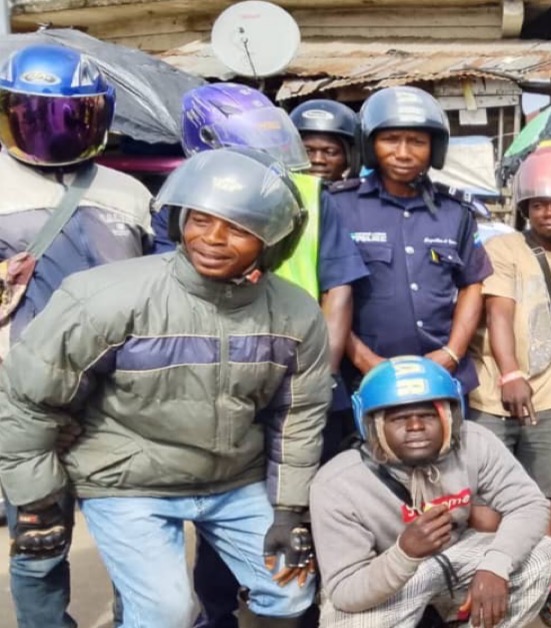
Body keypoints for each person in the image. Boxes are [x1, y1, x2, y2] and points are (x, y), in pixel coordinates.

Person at [0, 148, 330, 628]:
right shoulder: (106, 297)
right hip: (126, 480)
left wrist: (289, 510)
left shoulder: (296, 314)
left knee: (290, 591)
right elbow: (30, 399)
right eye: (199, 220)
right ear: (178, 220)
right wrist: (37, 502)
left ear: (270, 239)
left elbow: (299, 416)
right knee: (166, 613)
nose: (213, 240)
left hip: (232, 479)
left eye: (237, 228)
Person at [175, 84, 369, 628]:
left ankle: (302, 609)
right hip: (221, 387)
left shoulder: (310, 195)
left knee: (303, 508)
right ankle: (219, 611)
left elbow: (339, 289)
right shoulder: (185, 199)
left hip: (299, 385)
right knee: (219, 507)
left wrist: (322, 373)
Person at [0, 43, 154, 628]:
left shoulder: (129, 194)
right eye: (33, 114)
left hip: (126, 400)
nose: (51, 130)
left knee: (138, 538)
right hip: (31, 399)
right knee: (40, 543)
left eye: (70, 116)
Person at [310, 356, 551, 627]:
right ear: (373, 425)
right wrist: (404, 553)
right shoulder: (336, 483)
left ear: (450, 417)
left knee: (544, 553)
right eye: (399, 418)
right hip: (390, 576)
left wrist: (496, 566)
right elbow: (345, 591)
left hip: (455, 557)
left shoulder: (473, 442)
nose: (416, 426)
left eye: (429, 415)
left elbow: (530, 504)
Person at [467, 146, 551, 625]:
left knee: (544, 496)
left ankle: (544, 576)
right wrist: (512, 373)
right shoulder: (505, 250)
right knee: (485, 496)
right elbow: (498, 313)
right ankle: (488, 574)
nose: (549, 211)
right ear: (524, 207)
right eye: (538, 203)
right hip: (494, 395)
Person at [328, 86, 492, 398]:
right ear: (370, 144)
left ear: (435, 148)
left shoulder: (455, 211)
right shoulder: (339, 206)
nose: (403, 152)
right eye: (390, 140)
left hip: (442, 376)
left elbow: (473, 283)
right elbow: (326, 294)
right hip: (360, 380)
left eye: (417, 141)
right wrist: (365, 360)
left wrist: (453, 353)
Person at [290, 99, 361, 182]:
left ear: (350, 159)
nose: (317, 160)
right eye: (307, 151)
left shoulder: (369, 194)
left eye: (330, 152)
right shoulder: (276, 193)